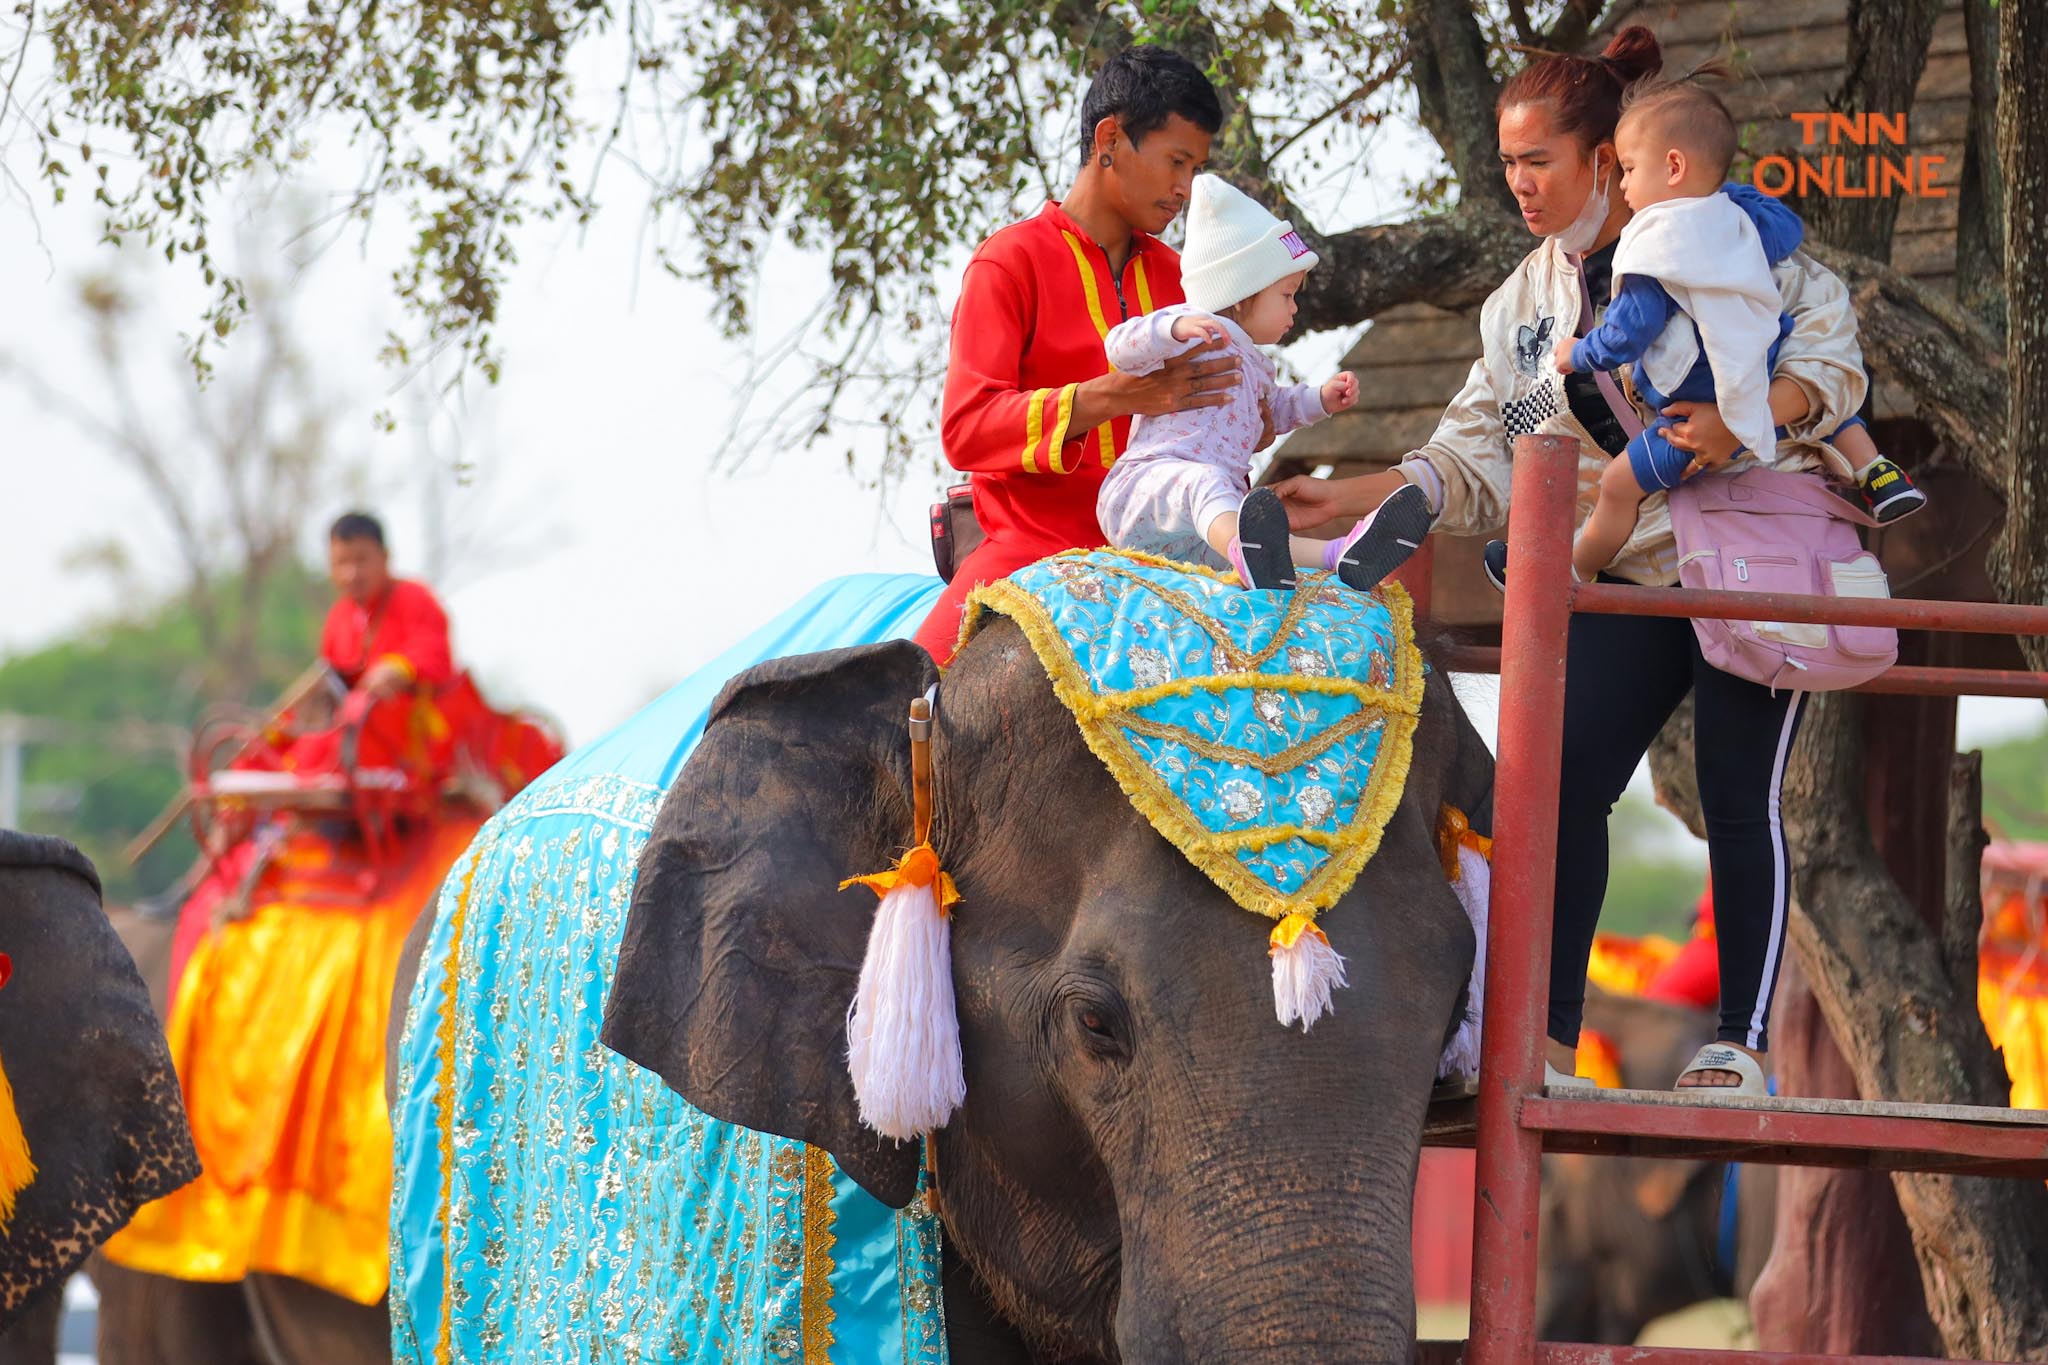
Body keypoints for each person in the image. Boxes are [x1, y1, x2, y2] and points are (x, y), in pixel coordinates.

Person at [1273, 26, 1879, 1095]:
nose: (1516, 185)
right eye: (1506, 165)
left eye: (1535, 161)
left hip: (1743, 556)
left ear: (1605, 162)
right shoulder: (1526, 307)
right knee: (1552, 785)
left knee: (1740, 801)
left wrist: (1746, 419)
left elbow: (1829, 358)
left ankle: (1736, 1049)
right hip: (1626, 572)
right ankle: (1545, 1044)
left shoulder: (1724, 240)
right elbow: (1493, 437)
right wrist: (1354, 492)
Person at [1504, 77, 1916, 584]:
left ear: (1668, 166)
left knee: (1618, 488)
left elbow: (1625, 337)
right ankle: (1878, 471)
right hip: (1761, 393)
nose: (1625, 187)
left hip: (1695, 434)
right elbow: (1789, 235)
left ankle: (1565, 570)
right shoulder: (1742, 224)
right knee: (1836, 416)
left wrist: (1580, 353)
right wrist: (1734, 199)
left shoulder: (1654, 254)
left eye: (1629, 170)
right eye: (1510, 163)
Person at [911, 46, 1234, 660]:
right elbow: (966, 430)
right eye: (1176, 162)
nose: (1185, 190)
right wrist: (1114, 396)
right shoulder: (1008, 263)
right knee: (905, 711)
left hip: (1173, 558)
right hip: (1029, 551)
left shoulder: (1185, 279)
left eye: (1195, 169)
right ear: (1110, 139)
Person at [1095, 174, 1433, 591]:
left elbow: (1278, 408)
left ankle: (1336, 553)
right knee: (1206, 485)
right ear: (1242, 291)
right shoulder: (1191, 330)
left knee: (1262, 530)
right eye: (1287, 295)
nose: (1294, 308)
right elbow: (1119, 346)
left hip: (1202, 530)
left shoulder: (1256, 366)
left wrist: (1320, 399)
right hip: (1145, 490)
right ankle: (1247, 552)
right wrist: (1174, 327)